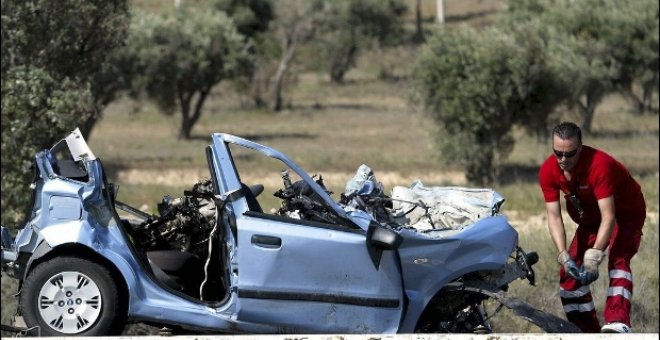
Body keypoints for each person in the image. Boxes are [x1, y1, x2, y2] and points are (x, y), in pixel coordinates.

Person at [538, 121, 646, 333]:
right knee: (568, 273)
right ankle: (584, 331)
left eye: (569, 154)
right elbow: (554, 216)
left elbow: (610, 216)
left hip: (626, 212)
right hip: (592, 214)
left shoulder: (599, 165)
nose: (562, 160)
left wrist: (594, 256)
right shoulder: (548, 170)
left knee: (618, 258)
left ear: (580, 147)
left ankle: (618, 323)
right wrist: (563, 255)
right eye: (557, 153)